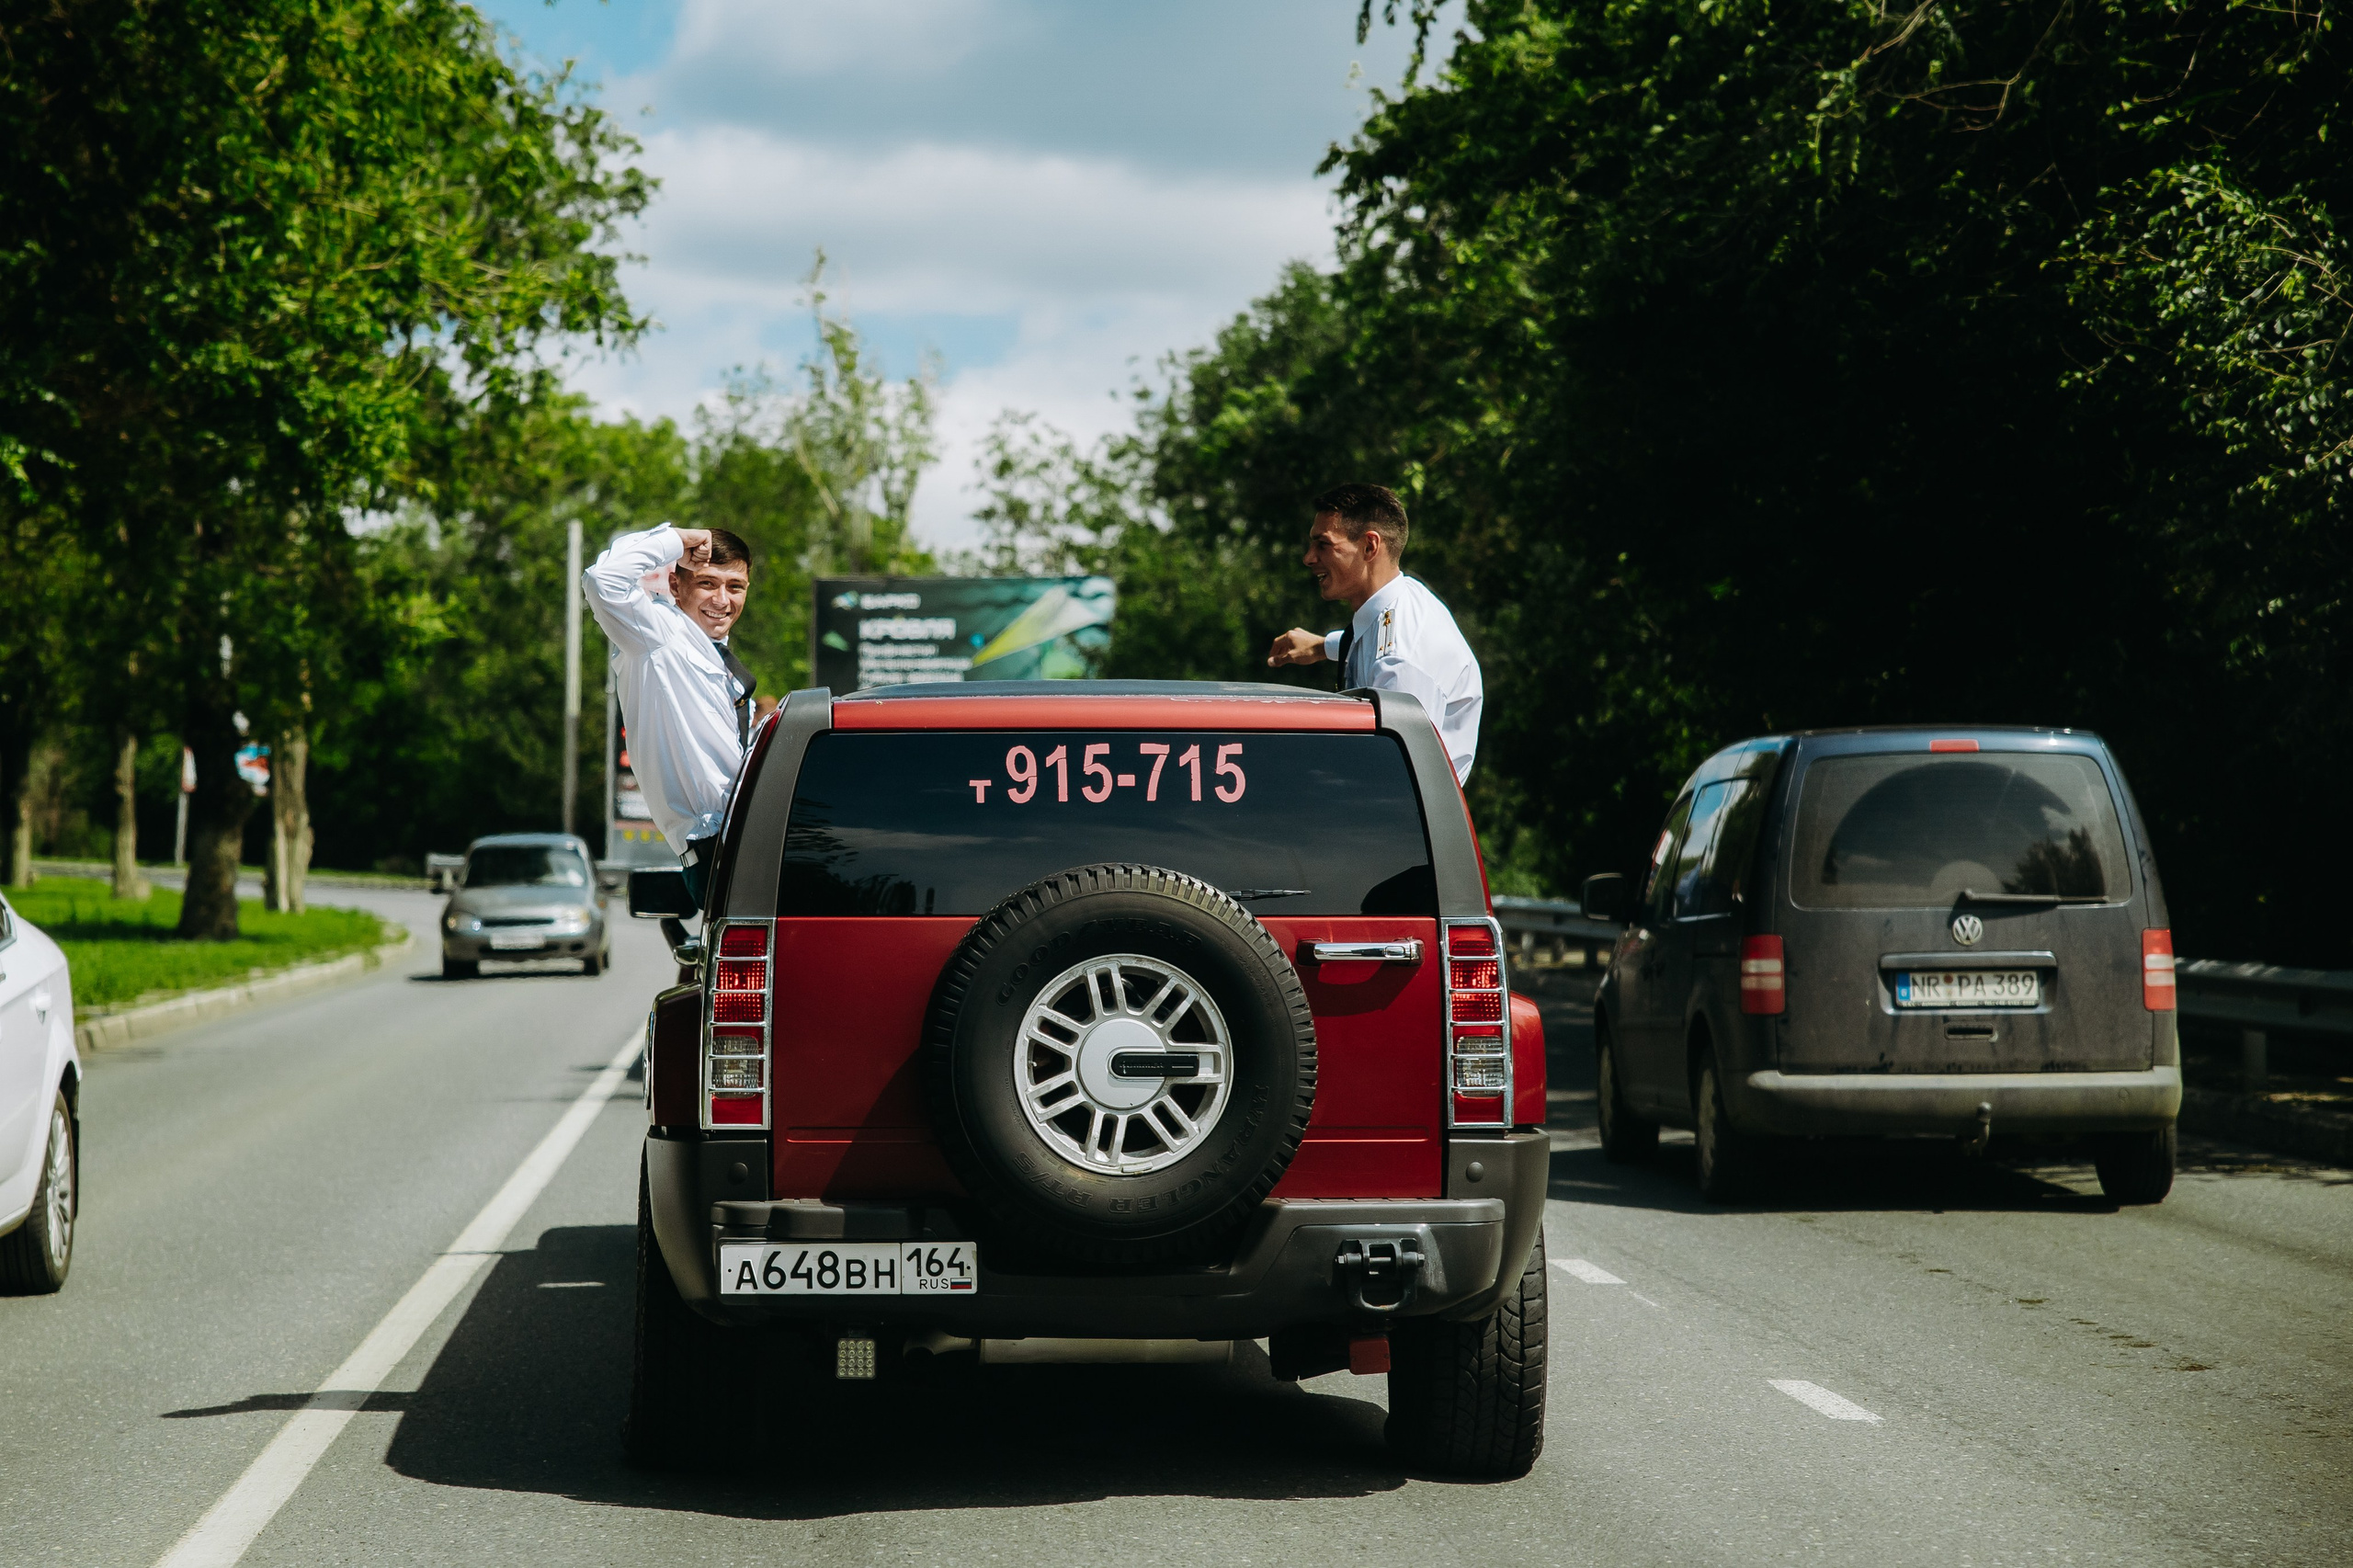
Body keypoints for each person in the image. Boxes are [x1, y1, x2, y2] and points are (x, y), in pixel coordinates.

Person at [582, 524, 757, 896]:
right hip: (714, 848)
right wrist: (678, 539)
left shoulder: (724, 665)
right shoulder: (658, 634)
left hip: (748, 837)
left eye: (735, 587)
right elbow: (604, 580)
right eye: (708, 583)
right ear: (676, 587)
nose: (722, 600)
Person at [1266, 483, 1483, 782]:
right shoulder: (1400, 601)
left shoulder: (1400, 661)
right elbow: (1369, 638)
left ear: (1370, 546)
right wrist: (1321, 647)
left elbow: (1393, 777)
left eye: (1323, 544)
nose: (1309, 558)